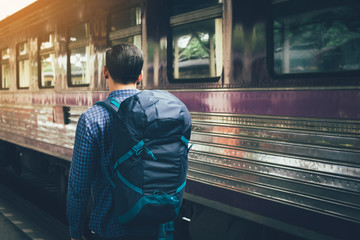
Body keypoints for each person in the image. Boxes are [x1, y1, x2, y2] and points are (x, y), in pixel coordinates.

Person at [67, 43, 159, 240]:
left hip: (111, 228)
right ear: (140, 75)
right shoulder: (158, 112)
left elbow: (78, 187)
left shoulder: (93, 118)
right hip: (155, 227)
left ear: (105, 72)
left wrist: (75, 232)